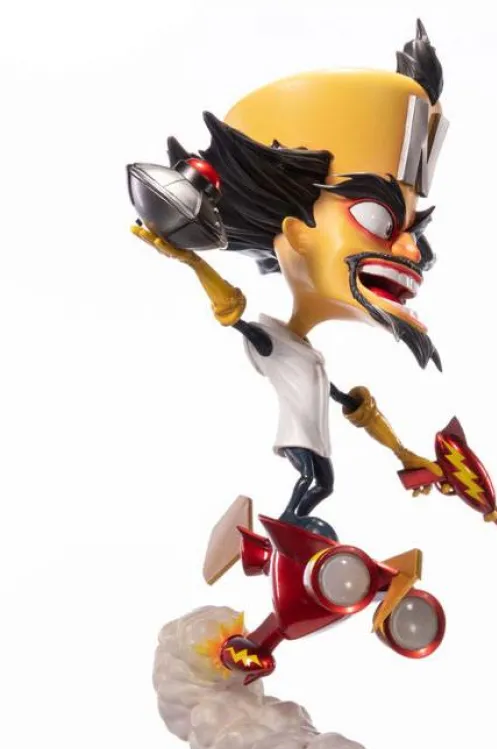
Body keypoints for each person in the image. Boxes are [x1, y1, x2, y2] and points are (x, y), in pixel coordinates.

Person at [133, 21, 449, 540]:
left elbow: (343, 402)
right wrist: (189, 260)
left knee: (320, 483)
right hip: (303, 443)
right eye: (378, 220)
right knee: (317, 484)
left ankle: (284, 535)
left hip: (313, 436)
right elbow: (232, 312)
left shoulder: (302, 353)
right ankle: (285, 532)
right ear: (296, 235)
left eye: (414, 232)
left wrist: (404, 452)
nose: (412, 252)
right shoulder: (271, 341)